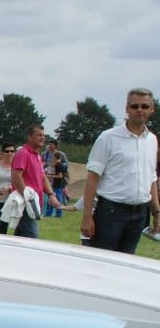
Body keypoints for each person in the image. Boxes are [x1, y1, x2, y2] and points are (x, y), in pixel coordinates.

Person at [81, 88, 160, 254]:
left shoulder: (152, 141)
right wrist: (87, 216)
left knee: (125, 266)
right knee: (102, 264)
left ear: (152, 109)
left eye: (145, 106)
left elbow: (151, 178)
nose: (140, 110)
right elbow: (92, 178)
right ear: (127, 109)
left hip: (139, 215)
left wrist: (156, 213)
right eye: (135, 106)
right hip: (110, 213)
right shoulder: (108, 138)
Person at [6, 124, 51, 239]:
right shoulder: (23, 153)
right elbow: (16, 175)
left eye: (43, 135)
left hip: (31, 203)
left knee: (20, 238)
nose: (42, 138)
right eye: (38, 135)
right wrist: (27, 198)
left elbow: (42, 177)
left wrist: (51, 194)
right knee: (31, 237)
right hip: (26, 204)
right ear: (29, 137)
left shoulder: (37, 156)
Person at [42, 138, 70, 216]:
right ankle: (49, 211)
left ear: (55, 145)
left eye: (51, 144)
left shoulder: (60, 154)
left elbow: (66, 164)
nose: (49, 145)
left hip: (56, 177)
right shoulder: (45, 154)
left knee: (56, 195)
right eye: (49, 144)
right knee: (50, 194)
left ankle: (58, 211)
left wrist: (58, 168)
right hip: (48, 176)